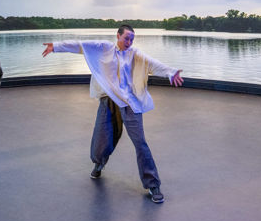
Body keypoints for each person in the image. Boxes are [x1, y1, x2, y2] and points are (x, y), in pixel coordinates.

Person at [41, 24, 183, 203]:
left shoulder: (135, 54)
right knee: (102, 137)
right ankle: (98, 164)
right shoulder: (104, 48)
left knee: (140, 143)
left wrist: (170, 72)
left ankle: (153, 184)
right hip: (108, 100)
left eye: (132, 39)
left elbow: (152, 63)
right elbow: (81, 45)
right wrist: (56, 46)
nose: (129, 42)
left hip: (130, 102)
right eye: (126, 38)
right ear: (118, 36)